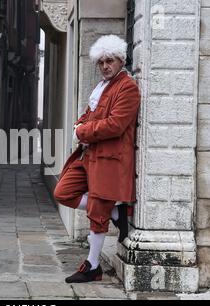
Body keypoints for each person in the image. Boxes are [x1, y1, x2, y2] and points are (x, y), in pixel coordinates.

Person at [54, 35, 140, 283]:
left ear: (121, 60)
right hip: (89, 154)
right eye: (101, 62)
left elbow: (116, 124)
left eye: (109, 61)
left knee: (96, 211)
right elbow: (87, 115)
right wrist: (79, 125)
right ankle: (115, 210)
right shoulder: (101, 87)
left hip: (109, 158)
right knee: (63, 191)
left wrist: (81, 131)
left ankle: (92, 265)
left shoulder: (128, 87)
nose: (105, 66)